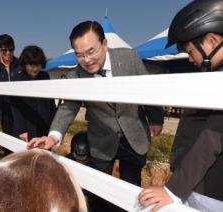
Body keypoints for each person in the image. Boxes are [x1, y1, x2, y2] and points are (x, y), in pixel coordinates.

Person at [27, 20, 164, 211]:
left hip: (134, 135)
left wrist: (156, 118)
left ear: (105, 43)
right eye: (79, 55)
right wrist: (53, 136)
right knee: (100, 191)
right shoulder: (76, 75)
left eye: (91, 52)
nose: (86, 60)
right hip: (101, 139)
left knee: (131, 189)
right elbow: (67, 107)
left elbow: (147, 89)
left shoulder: (129, 58)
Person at [139, 1, 223, 211]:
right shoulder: (212, 75)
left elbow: (213, 137)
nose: (190, 59)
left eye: (189, 50)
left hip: (210, 192)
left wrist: (174, 190)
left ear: (212, 41)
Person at [11, 45, 56, 142]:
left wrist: (53, 124)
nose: (35, 69)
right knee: (26, 155)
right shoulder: (17, 79)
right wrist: (21, 129)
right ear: (24, 63)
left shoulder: (45, 76)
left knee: (43, 154)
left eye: (38, 65)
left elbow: (51, 102)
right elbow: (15, 107)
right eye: (31, 65)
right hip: (26, 127)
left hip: (44, 125)